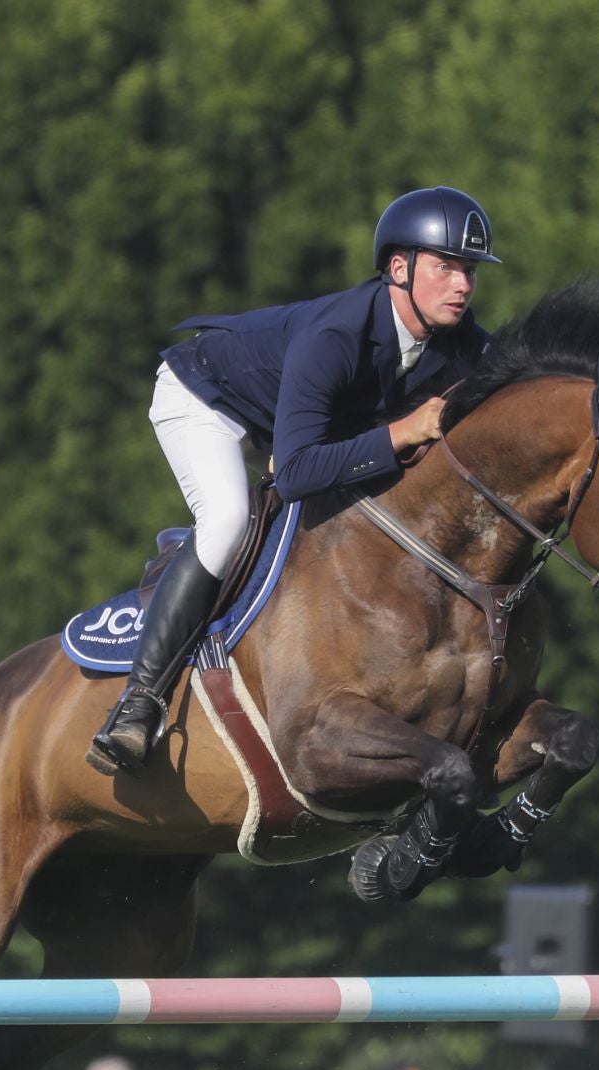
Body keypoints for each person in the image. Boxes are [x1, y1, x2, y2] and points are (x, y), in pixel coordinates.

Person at [87, 186, 501, 776]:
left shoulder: (459, 340)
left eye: (470, 271)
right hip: (207, 399)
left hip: (294, 425)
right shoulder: (336, 335)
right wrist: (403, 432)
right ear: (400, 268)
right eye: (447, 268)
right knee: (229, 518)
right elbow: (300, 470)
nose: (463, 285)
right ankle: (138, 703)